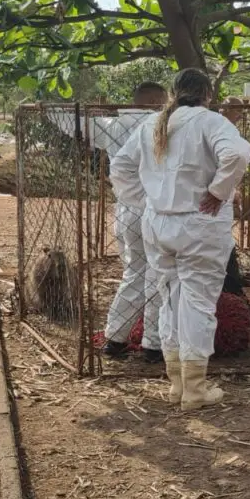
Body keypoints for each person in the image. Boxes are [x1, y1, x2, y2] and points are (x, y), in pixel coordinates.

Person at [111, 69, 250, 410]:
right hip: (200, 223)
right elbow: (237, 155)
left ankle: (176, 384)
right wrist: (218, 192)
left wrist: (146, 201)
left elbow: (119, 168)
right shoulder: (210, 122)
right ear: (207, 94)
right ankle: (194, 388)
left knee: (170, 298)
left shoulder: (153, 124)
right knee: (199, 302)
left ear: (174, 92)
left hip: (158, 224)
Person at [46, 83, 169, 361]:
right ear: (155, 102)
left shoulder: (113, 125)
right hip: (158, 210)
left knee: (135, 273)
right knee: (158, 276)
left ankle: (116, 338)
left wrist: (58, 108)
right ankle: (153, 344)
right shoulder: (163, 126)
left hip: (127, 209)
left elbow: (70, 121)